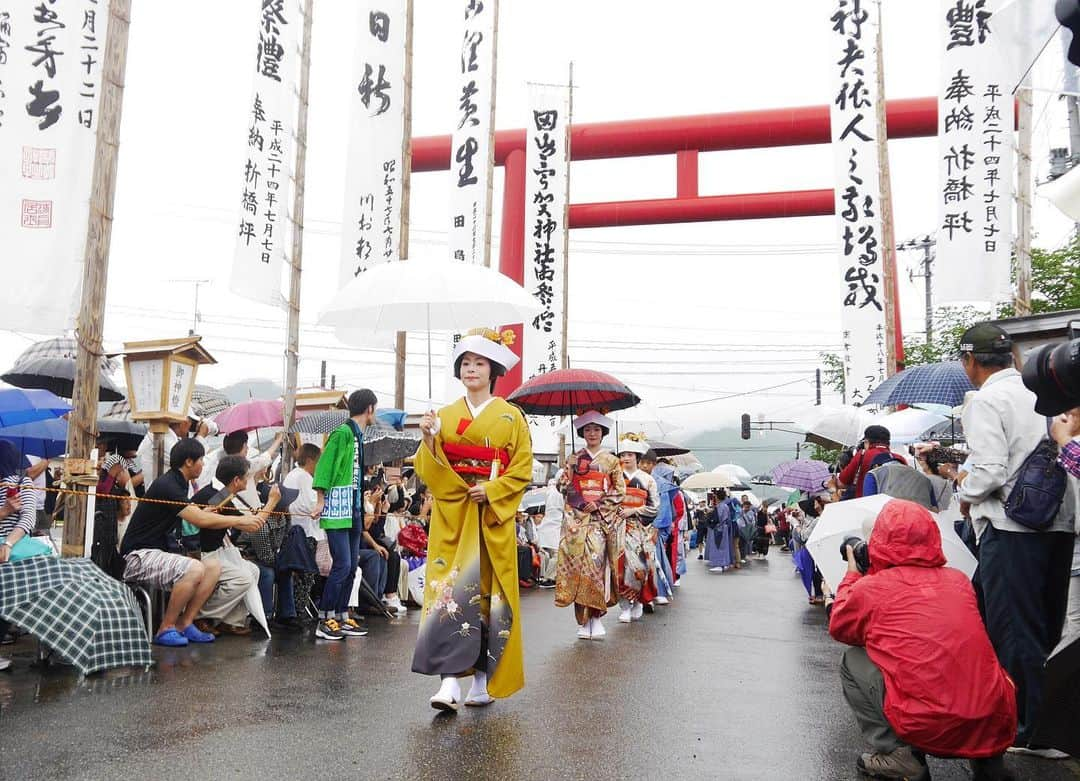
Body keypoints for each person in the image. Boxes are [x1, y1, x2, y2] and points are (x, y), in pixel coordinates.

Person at [934, 323, 1077, 758]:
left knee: (1014, 628)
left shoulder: (986, 400)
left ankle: (1025, 728)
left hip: (1011, 527)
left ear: (969, 362)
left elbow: (991, 470)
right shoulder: (1048, 393)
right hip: (1059, 523)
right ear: (1012, 357)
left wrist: (964, 493)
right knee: (1048, 624)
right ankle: (1049, 722)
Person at [829, 499, 1017, 781]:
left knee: (853, 659)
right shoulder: (959, 581)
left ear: (879, 540)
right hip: (992, 723)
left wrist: (853, 575)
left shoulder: (872, 588)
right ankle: (989, 761)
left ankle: (897, 755)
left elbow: (841, 628)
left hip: (927, 726)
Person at [412, 329, 533, 712]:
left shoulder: (511, 416)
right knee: (449, 592)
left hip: (491, 519)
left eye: (479, 363)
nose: (471, 370)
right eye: (465, 363)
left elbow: (523, 468)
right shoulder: (442, 417)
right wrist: (430, 440)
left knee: (487, 597)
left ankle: (482, 680)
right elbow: (427, 470)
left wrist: (493, 491)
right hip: (454, 516)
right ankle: (449, 682)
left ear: (493, 370)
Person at [120, 439, 267, 647]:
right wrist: (241, 518)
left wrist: (205, 513)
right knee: (196, 568)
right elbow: (200, 520)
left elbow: (196, 514)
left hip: (160, 552)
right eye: (200, 460)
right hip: (138, 555)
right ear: (189, 462)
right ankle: (166, 628)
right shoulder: (169, 485)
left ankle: (185, 623)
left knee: (213, 567)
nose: (203, 465)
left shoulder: (181, 483)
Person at [308, 389, 378, 641]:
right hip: (338, 506)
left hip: (353, 507)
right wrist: (320, 500)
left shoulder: (357, 435)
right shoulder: (343, 433)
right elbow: (324, 467)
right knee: (343, 564)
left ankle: (340, 615)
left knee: (351, 565)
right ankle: (324, 618)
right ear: (370, 408)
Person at [188, 455, 281, 637]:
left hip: (217, 552)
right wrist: (272, 502)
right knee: (243, 578)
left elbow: (247, 520)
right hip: (201, 555)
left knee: (253, 571)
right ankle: (199, 615)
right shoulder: (215, 498)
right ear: (236, 480)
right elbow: (253, 525)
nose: (249, 480)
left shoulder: (223, 493)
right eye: (246, 477)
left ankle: (229, 620)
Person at [556, 410, 626, 641]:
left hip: (598, 521)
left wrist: (599, 504)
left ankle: (595, 617)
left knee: (595, 568)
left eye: (596, 429)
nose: (592, 433)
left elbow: (619, 490)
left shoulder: (612, 461)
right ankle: (583, 620)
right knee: (577, 568)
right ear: (582, 433)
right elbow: (561, 486)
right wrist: (569, 470)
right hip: (577, 521)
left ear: (603, 433)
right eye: (587, 430)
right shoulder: (574, 458)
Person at [0, 442, 38, 670]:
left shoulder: (24, 483)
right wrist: (5, 510)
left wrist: (7, 543)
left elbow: (28, 519)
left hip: (14, 550)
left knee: (8, 594)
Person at [616, 435, 659, 623]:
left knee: (641, 567)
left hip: (640, 528)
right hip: (618, 527)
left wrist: (634, 510)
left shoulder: (647, 480)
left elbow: (654, 506)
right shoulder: (615, 478)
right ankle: (625, 605)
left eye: (630, 454)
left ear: (637, 457)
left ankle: (638, 600)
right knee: (620, 568)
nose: (626, 458)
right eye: (623, 454)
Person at [283, 443, 324, 618]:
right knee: (306, 573)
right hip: (306, 532)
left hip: (292, 530)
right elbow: (311, 505)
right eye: (318, 462)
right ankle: (300, 609)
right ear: (309, 460)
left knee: (299, 572)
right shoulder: (305, 478)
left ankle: (297, 609)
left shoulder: (291, 475)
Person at [838, 426, 906, 499]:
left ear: (866, 442)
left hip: (866, 505)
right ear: (888, 443)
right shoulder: (900, 459)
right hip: (893, 506)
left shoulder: (862, 454)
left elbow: (842, 483)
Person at [705, 489, 735, 572]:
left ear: (717, 497)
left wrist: (710, 517)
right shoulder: (725, 506)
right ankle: (725, 563)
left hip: (719, 528)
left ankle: (719, 564)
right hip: (725, 528)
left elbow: (718, 519)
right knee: (724, 546)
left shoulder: (720, 506)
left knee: (718, 546)